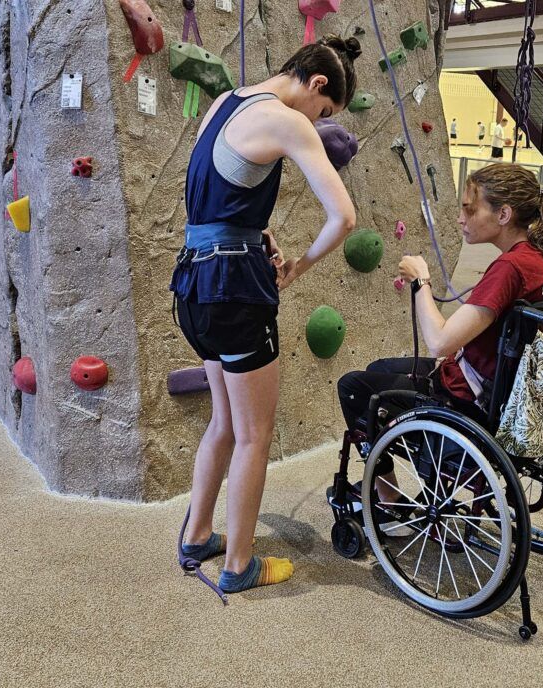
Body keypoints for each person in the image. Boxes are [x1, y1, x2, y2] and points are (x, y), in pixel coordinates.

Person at [170, 35, 359, 594]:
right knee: (255, 433)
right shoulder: (287, 119)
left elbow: (213, 194)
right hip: (235, 289)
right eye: (324, 112)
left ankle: (198, 535)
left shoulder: (227, 101)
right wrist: (298, 265)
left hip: (194, 286)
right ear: (317, 85)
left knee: (224, 422)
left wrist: (255, 232)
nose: (318, 122)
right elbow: (343, 217)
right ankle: (239, 566)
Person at [336, 163, 543, 502]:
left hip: (467, 395)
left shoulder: (510, 268)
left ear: (504, 214)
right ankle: (424, 486)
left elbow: (440, 341)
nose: (460, 217)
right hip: (509, 388)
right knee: (379, 369)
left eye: (470, 208)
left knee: (353, 387)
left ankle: (388, 498)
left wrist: (421, 279)